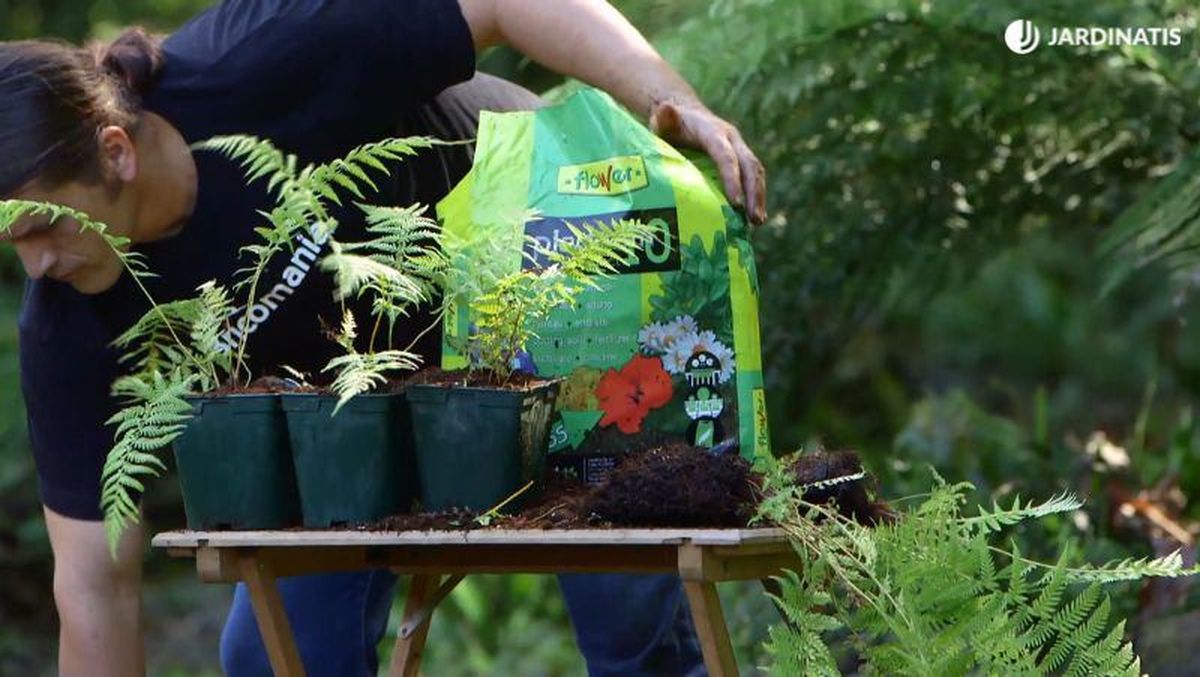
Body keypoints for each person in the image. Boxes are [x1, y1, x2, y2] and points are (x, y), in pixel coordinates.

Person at [0, 1, 767, 675]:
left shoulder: (270, 54)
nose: (35, 264)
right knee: (274, 657)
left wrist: (672, 99)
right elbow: (95, 587)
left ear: (115, 151)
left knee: (624, 620)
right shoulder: (69, 318)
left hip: (537, 286)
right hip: (357, 406)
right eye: (13, 245)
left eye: (42, 228)